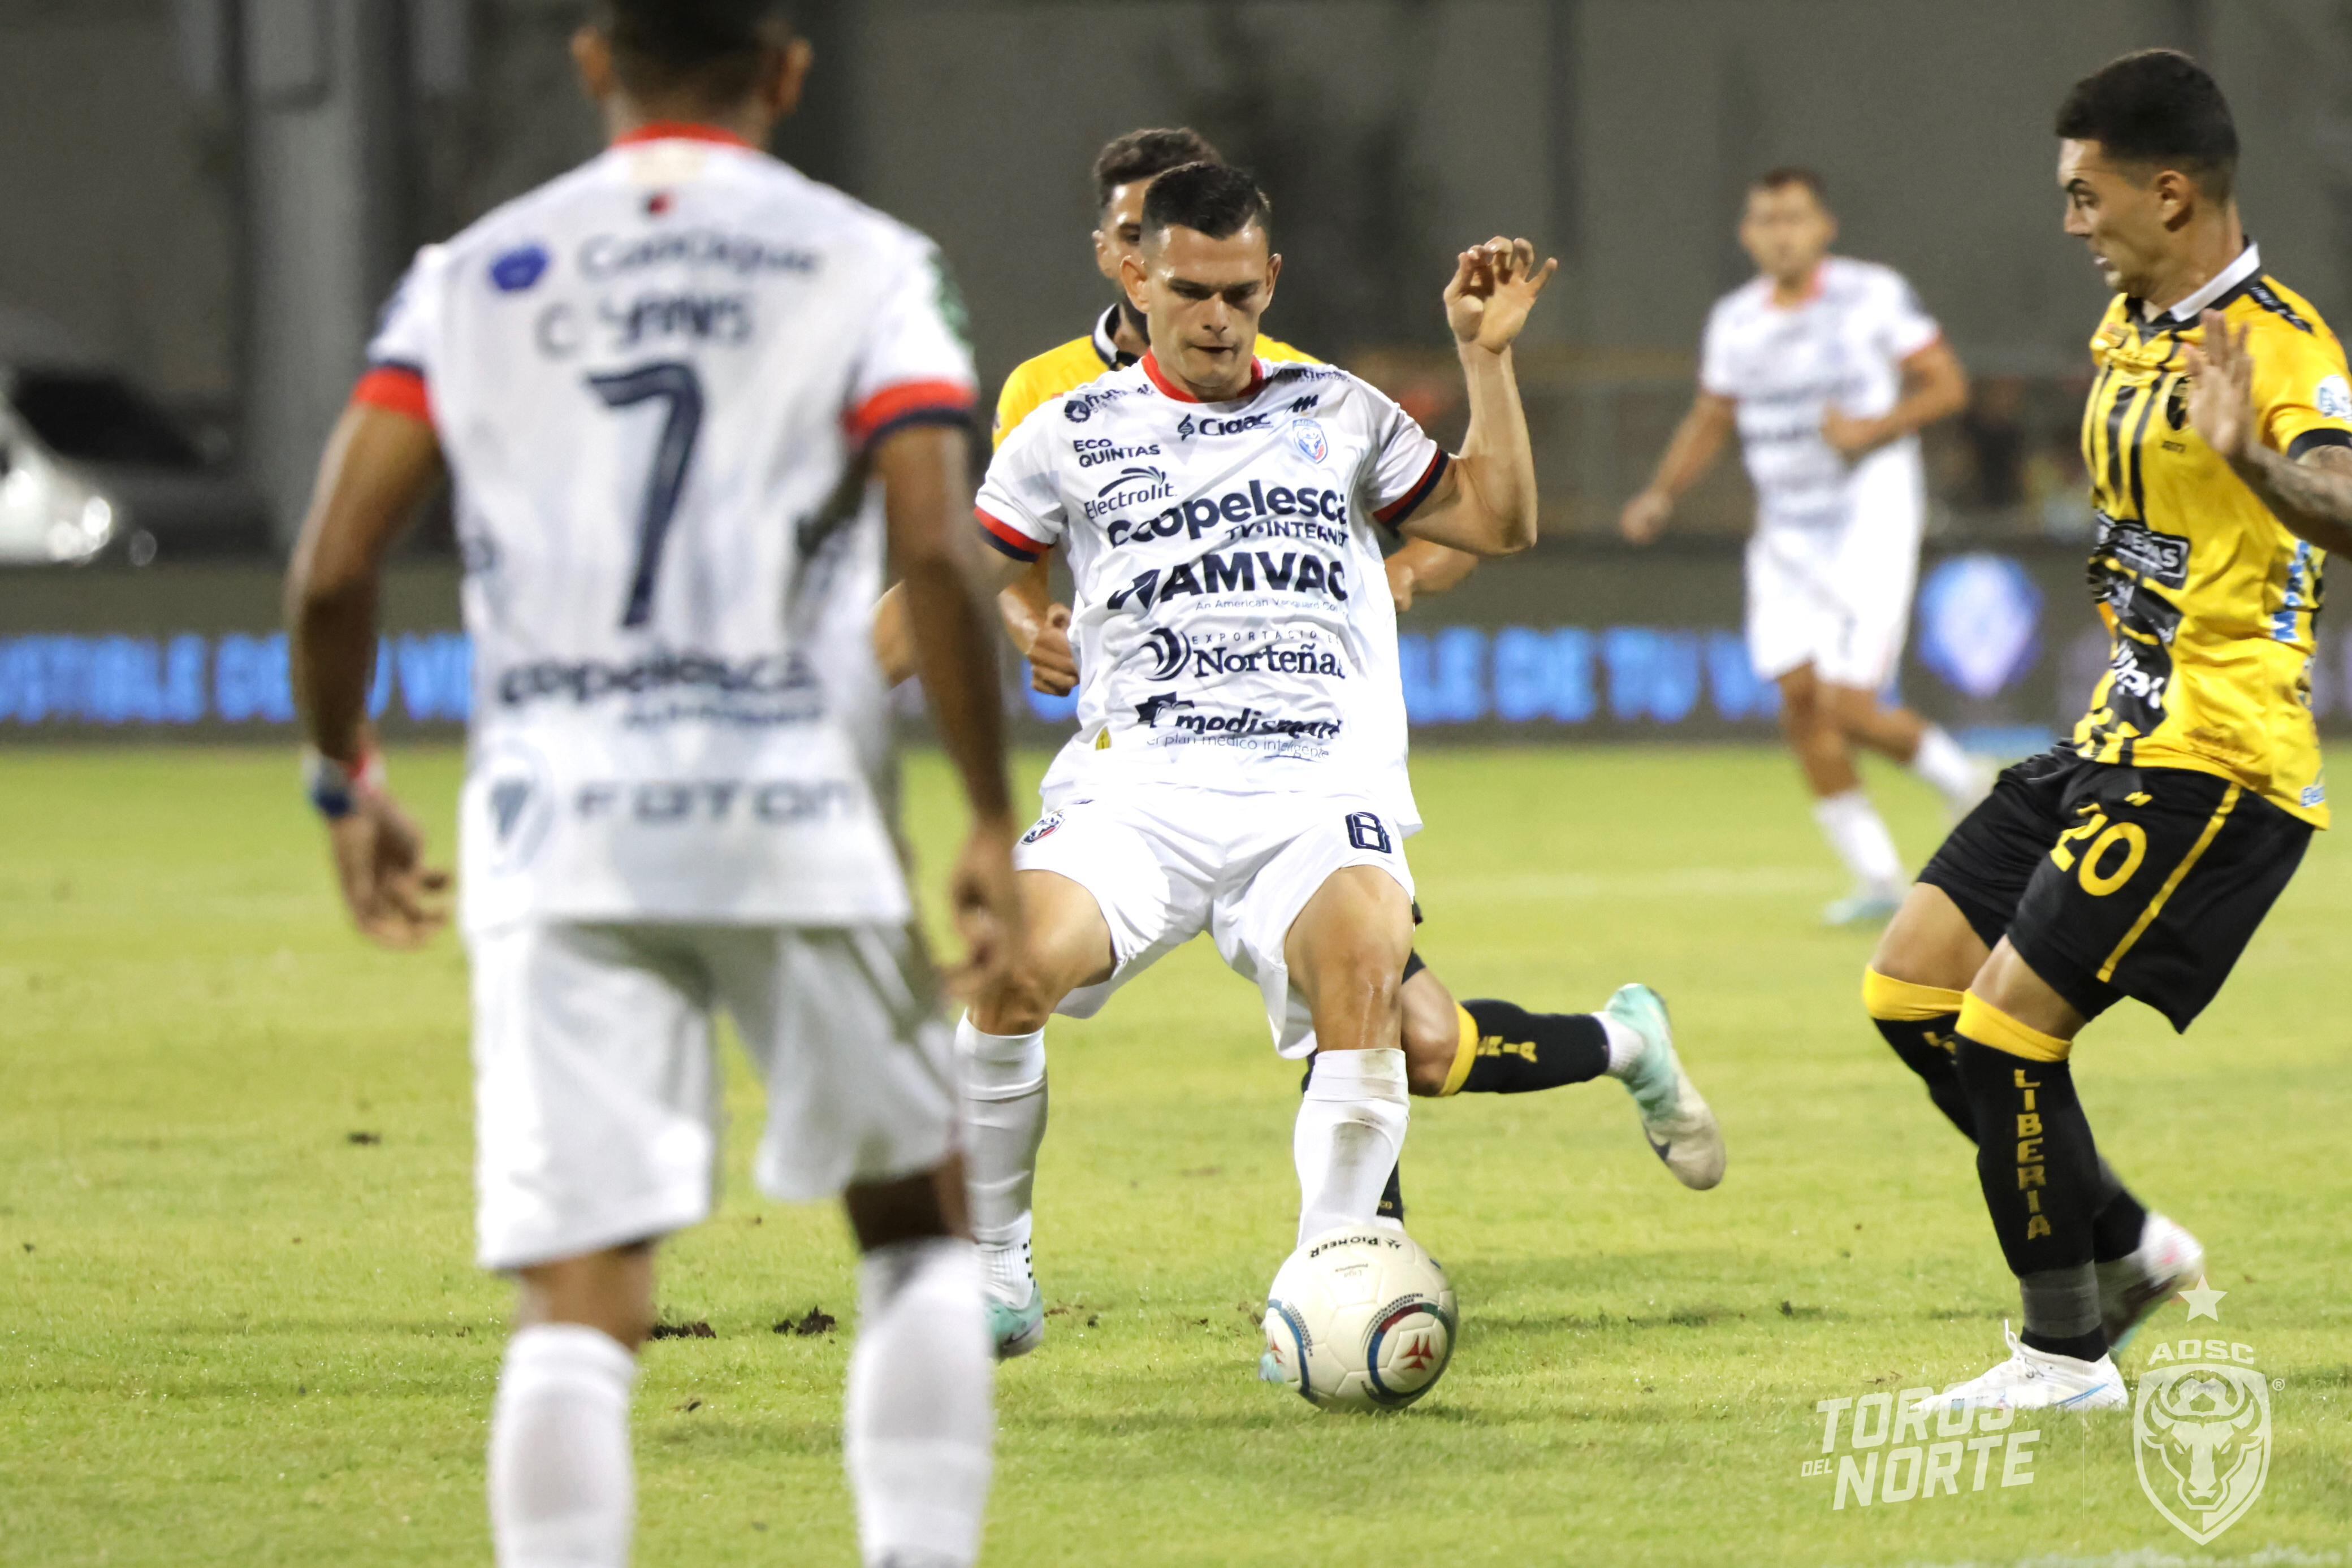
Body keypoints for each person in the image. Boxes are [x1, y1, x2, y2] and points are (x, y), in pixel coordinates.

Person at [282, 4, 1021, 1563]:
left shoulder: (470, 276)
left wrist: (346, 775)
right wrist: (983, 810)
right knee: (917, 1225)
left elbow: (334, 567)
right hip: (794, 815)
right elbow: (939, 546)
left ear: (592, 55)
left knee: (582, 1288)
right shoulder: (868, 261)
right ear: (789, 70)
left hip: (560, 824)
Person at [879, 138, 1723, 1357]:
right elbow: (949, 585)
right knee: (1005, 973)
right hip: (1138, 795)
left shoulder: (1337, 411)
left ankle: (1328, 1278)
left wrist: (1485, 362)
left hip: (1315, 795)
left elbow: (1499, 521)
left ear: (1269, 278)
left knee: (1374, 988)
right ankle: (997, 1273)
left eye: (1242, 293)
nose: (1219, 321)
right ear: (1137, 282)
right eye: (1191, 294)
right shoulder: (1066, 428)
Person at [1869, 49, 2352, 1413]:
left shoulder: (2277, 347)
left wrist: (2260, 463)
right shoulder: (2135, 324)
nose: (2071, 224)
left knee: (2008, 1037)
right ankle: (2130, 1249)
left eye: (2086, 198)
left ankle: (2061, 1355)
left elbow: (2341, 489)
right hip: (2114, 735)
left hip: (2219, 759)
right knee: (1909, 989)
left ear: (2171, 190)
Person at [1620, 168, 1981, 926]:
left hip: (1868, 515)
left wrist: (1869, 431)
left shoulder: (1873, 294)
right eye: (1766, 220)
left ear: (1826, 227)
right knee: (1797, 702)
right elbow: (1712, 416)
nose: (1781, 232)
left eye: (1795, 217)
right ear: (1748, 235)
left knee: (1847, 704)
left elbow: (1947, 386)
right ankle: (1879, 877)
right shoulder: (1734, 321)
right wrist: (1661, 493)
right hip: (1786, 531)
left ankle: (1972, 788)